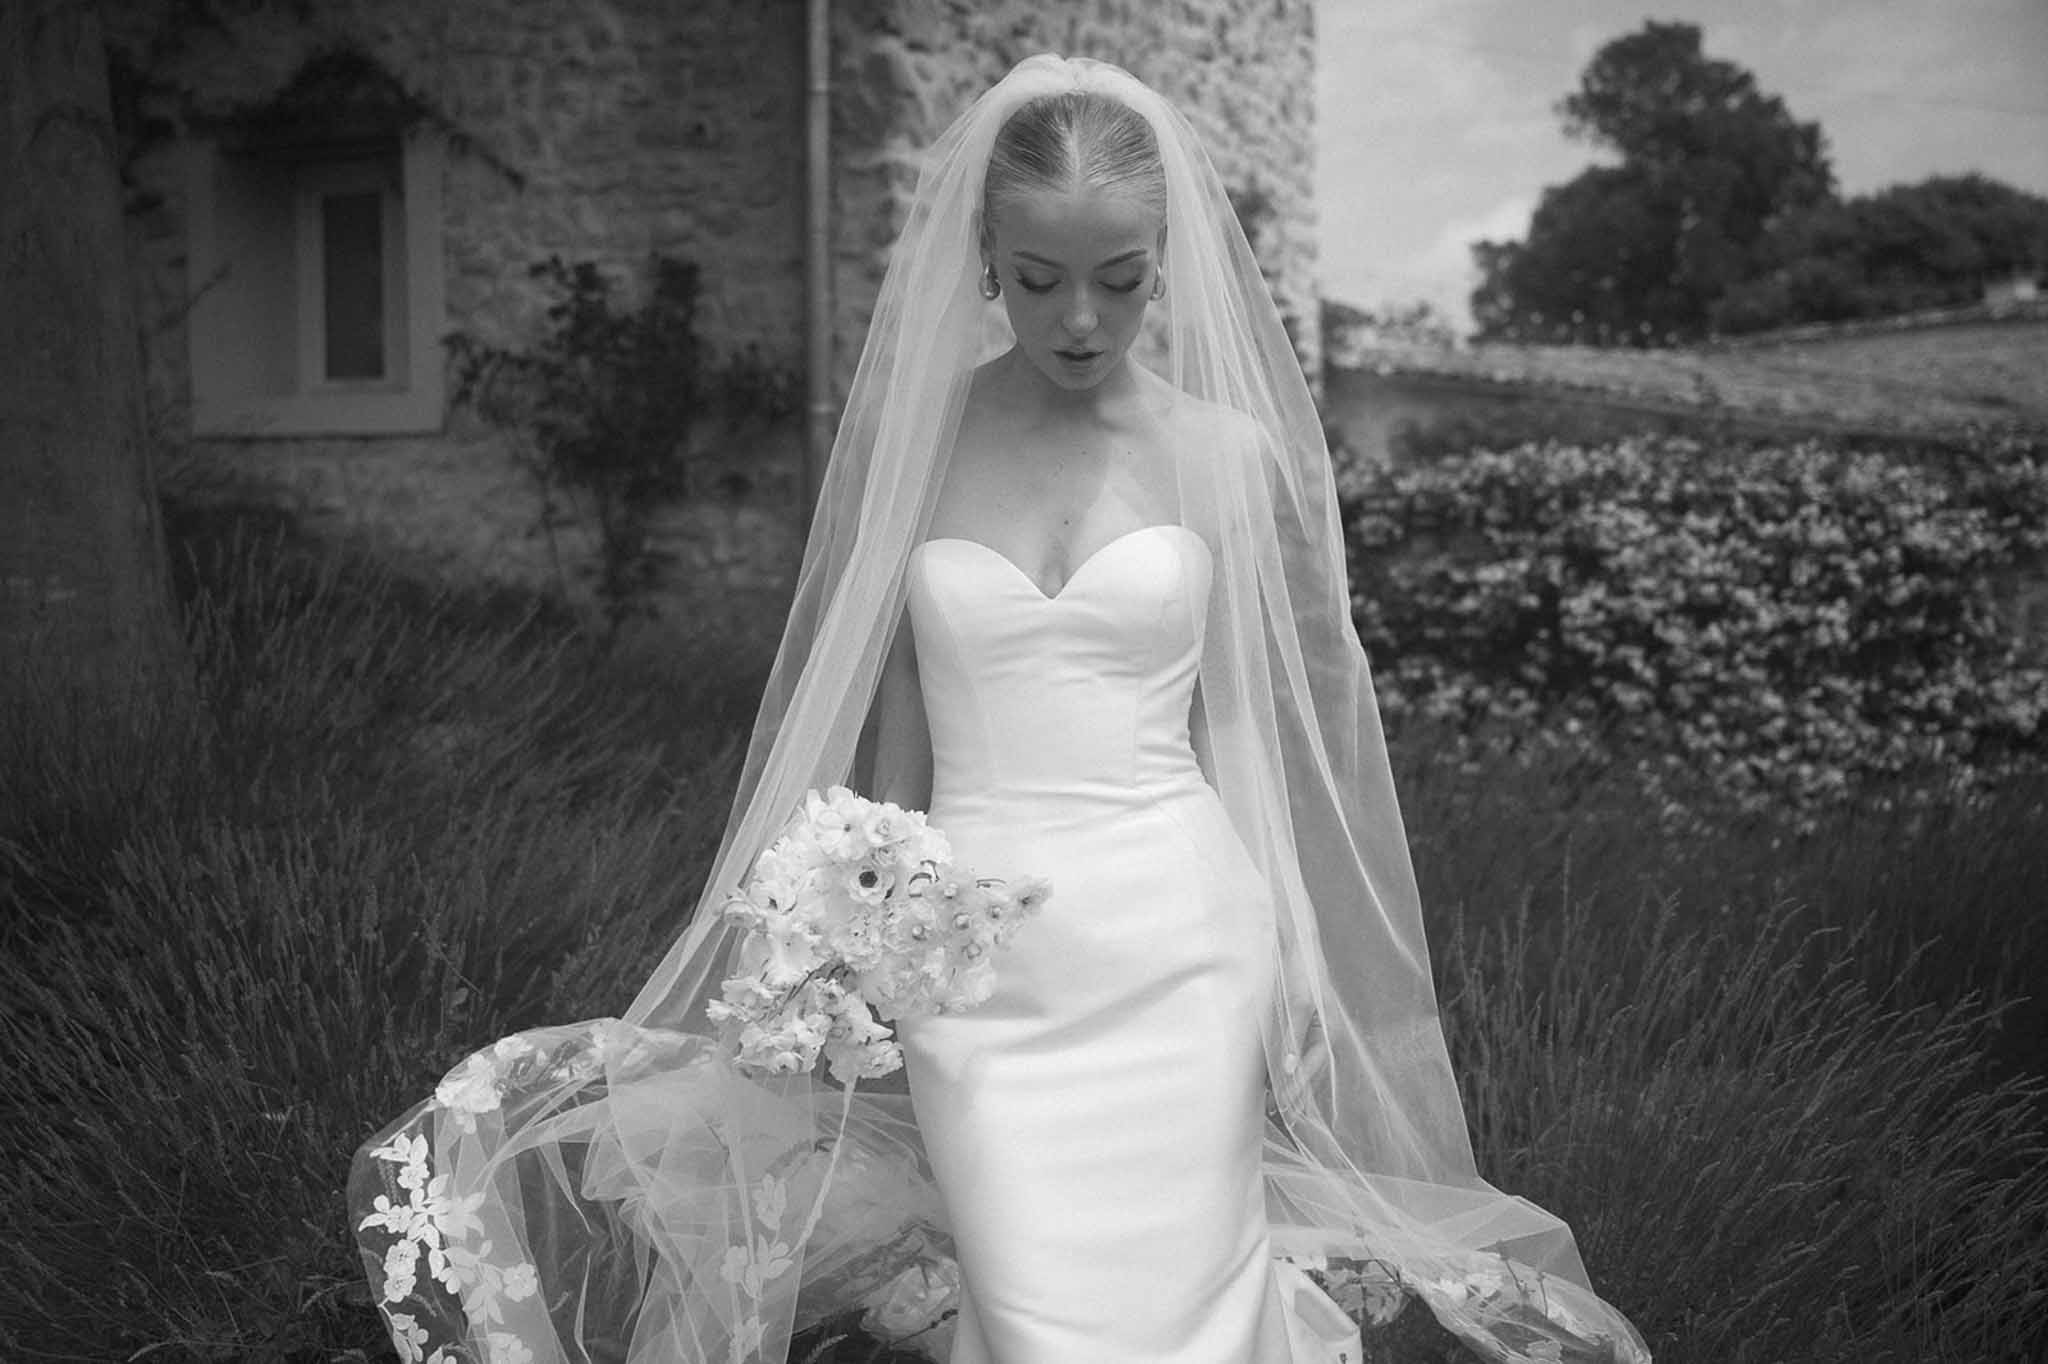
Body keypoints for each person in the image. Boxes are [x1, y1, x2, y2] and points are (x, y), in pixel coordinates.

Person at [348, 54, 1651, 1364]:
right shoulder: (917, 442)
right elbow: (901, 707)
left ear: (1166, 262)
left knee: (1190, 1295)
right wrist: (860, 932)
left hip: (1181, 945)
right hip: (975, 960)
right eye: (1038, 279)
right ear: (985, 258)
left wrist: (1292, 944)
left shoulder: (1223, 455)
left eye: (1119, 280)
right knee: (1032, 1304)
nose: (1080, 318)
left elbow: (1244, 722)